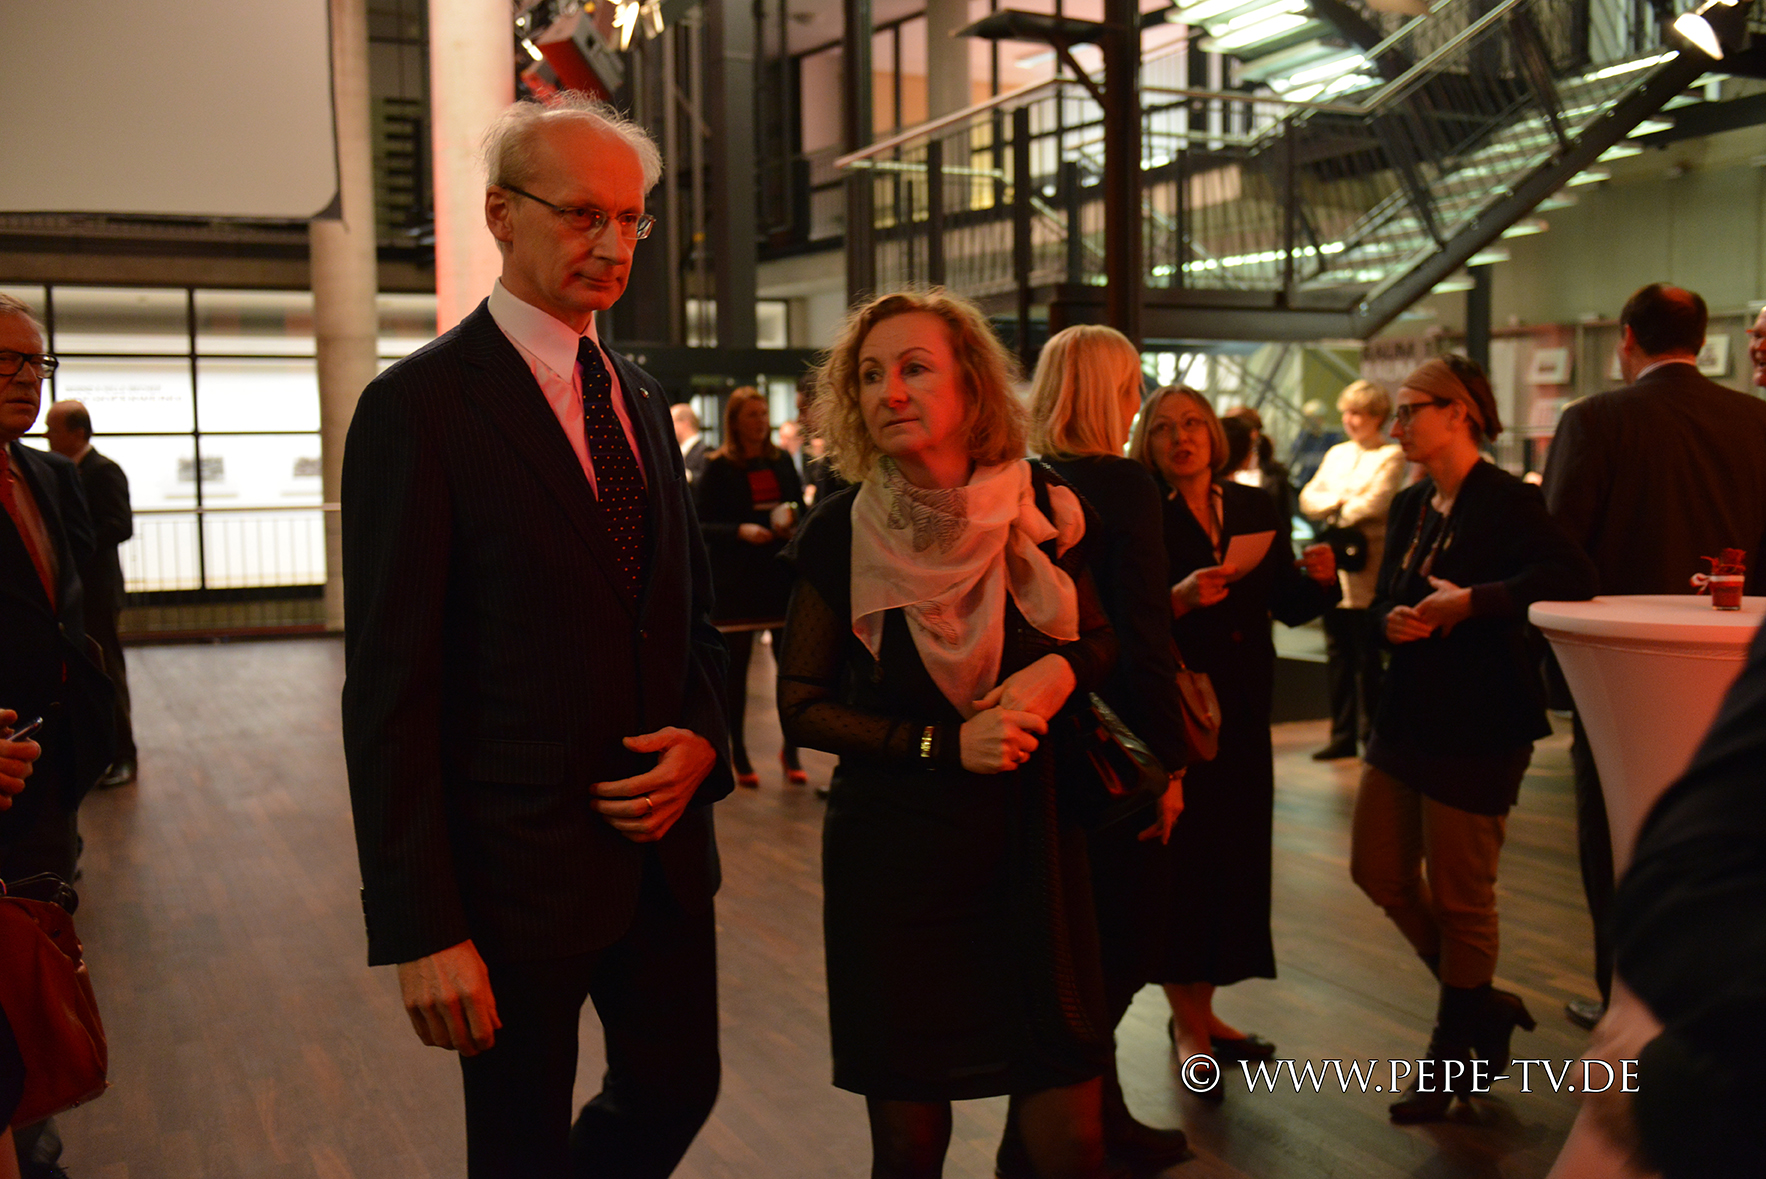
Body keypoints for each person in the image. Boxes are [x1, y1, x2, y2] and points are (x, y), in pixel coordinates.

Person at [340, 95, 733, 1178]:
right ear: (501, 215)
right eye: (581, 214)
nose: (612, 243)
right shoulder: (419, 407)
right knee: (516, 1146)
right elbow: (389, 687)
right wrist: (421, 925)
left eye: (631, 218)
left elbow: (686, 620)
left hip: (660, 859)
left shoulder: (640, 395)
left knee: (676, 1088)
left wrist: (704, 742)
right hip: (511, 877)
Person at [778, 290, 1121, 1179]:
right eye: (870, 375)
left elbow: (1098, 639)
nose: (889, 391)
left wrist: (1057, 673)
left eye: (915, 368)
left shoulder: (1042, 505)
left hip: (1036, 853)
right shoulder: (838, 533)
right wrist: (943, 745)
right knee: (910, 1145)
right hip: (898, 872)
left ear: (971, 386)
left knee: (1073, 1139)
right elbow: (802, 706)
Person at [1354, 355, 1597, 1122]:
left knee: (1464, 899)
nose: (1398, 425)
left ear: (1459, 412)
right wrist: (1389, 620)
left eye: (1410, 409)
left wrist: (1474, 602)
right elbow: (1385, 599)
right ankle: (1480, 1002)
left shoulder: (1507, 499)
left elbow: (1570, 577)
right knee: (1379, 870)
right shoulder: (1411, 504)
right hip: (1407, 716)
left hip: (1481, 723)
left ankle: (1452, 1053)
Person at [1541, 283, 1766, 1031]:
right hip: (1733, 666)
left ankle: (1625, 1002)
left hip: (1620, 671)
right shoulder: (1757, 422)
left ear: (1627, 338)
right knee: (1725, 837)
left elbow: (1559, 551)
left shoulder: (1594, 420)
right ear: (1700, 338)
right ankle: (1708, 1008)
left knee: (1614, 830)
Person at [1005, 323, 1191, 1176]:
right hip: (1113, 741)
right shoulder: (1122, 482)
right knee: (1126, 943)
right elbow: (1145, 632)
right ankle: (1046, 1129)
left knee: (1075, 943)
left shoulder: (1024, 478)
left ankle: (1097, 1117)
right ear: (1113, 392)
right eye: (1132, 383)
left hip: (1041, 733)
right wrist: (1171, 764)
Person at [1129, 385, 1339, 1097]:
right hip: (1182, 713)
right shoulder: (1144, 516)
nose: (1181, 438)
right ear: (1148, 443)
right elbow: (1128, 622)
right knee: (1185, 866)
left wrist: (1322, 582)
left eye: (1192, 424)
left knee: (1235, 861)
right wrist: (1180, 597)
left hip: (1246, 711)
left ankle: (1206, 1010)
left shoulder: (1253, 506)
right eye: (1164, 428)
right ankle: (1187, 1024)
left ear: (1214, 436)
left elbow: (1285, 604)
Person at [0, 296, 114, 1179]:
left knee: (38, 963)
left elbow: (70, 605)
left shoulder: (46, 473)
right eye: (5, 360)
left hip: (50, 770)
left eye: (35, 362)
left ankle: (35, 1140)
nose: (24, 377)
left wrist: (91, 710)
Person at [694, 386, 805, 787]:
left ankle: (791, 750)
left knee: (791, 671)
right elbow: (700, 523)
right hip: (737, 581)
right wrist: (740, 530)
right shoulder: (719, 466)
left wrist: (790, 519)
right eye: (752, 415)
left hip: (777, 575)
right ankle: (737, 751)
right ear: (735, 422)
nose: (761, 422)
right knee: (735, 673)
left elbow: (799, 506)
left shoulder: (781, 461)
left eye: (763, 414)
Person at [1298, 379, 1407, 761]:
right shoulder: (1337, 453)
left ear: (1376, 416)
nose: (1349, 420)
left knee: (1368, 659)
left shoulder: (1391, 456)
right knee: (1338, 656)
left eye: (1357, 413)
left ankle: (1372, 734)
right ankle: (1342, 734)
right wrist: (1342, 502)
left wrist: (1335, 506)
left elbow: (1376, 503)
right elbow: (1308, 499)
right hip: (1335, 569)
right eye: (1346, 412)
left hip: (1369, 569)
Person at [43, 401, 136, 789]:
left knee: (107, 671)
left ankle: (124, 756)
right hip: (72, 590)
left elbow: (121, 524)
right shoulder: (55, 470)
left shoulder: (103, 470)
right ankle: (97, 755)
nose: (47, 436)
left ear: (77, 433)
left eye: (53, 429)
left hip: (97, 588)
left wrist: (74, 546)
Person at [671, 401, 708, 484]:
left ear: (685, 423)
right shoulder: (674, 451)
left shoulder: (706, 451)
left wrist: (687, 476)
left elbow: (707, 481)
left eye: (672, 422)